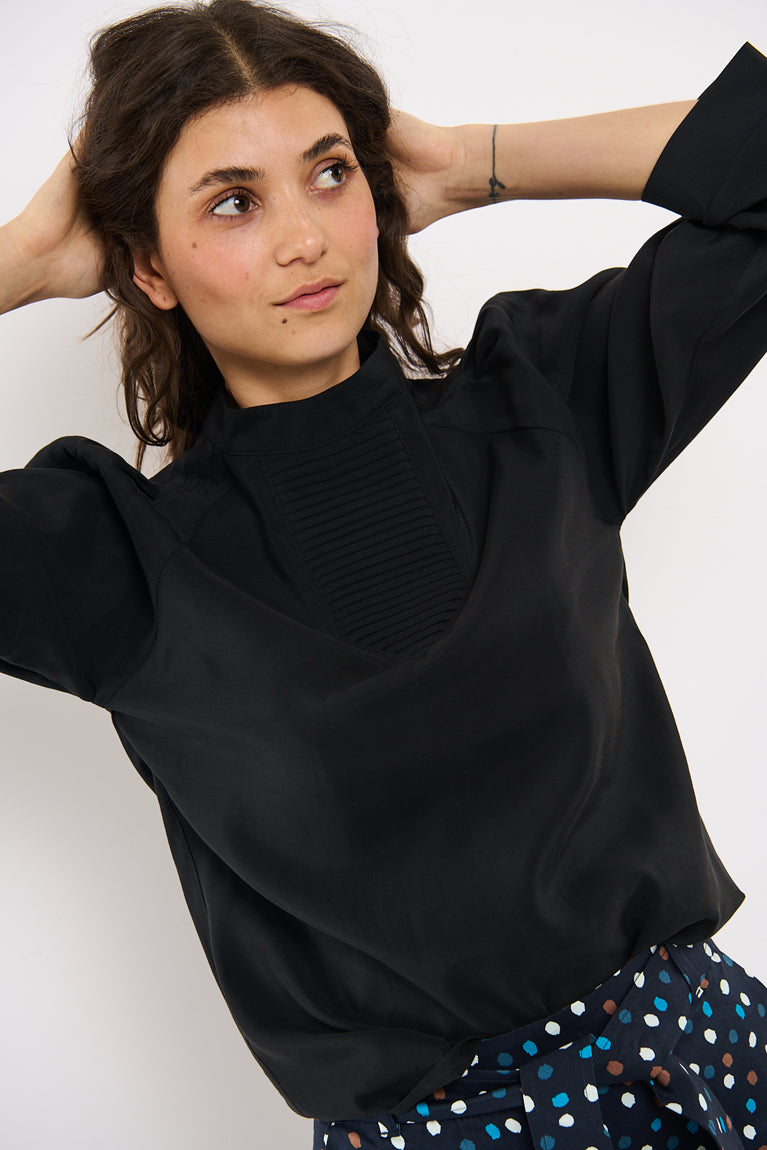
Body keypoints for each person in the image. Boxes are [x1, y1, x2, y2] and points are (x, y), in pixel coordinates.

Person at [1, 0, 766, 1146]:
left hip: (712, 1063)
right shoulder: (112, 561)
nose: (303, 238)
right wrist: (20, 258)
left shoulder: (540, 403)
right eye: (233, 202)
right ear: (148, 265)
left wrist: (468, 161)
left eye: (328, 174)